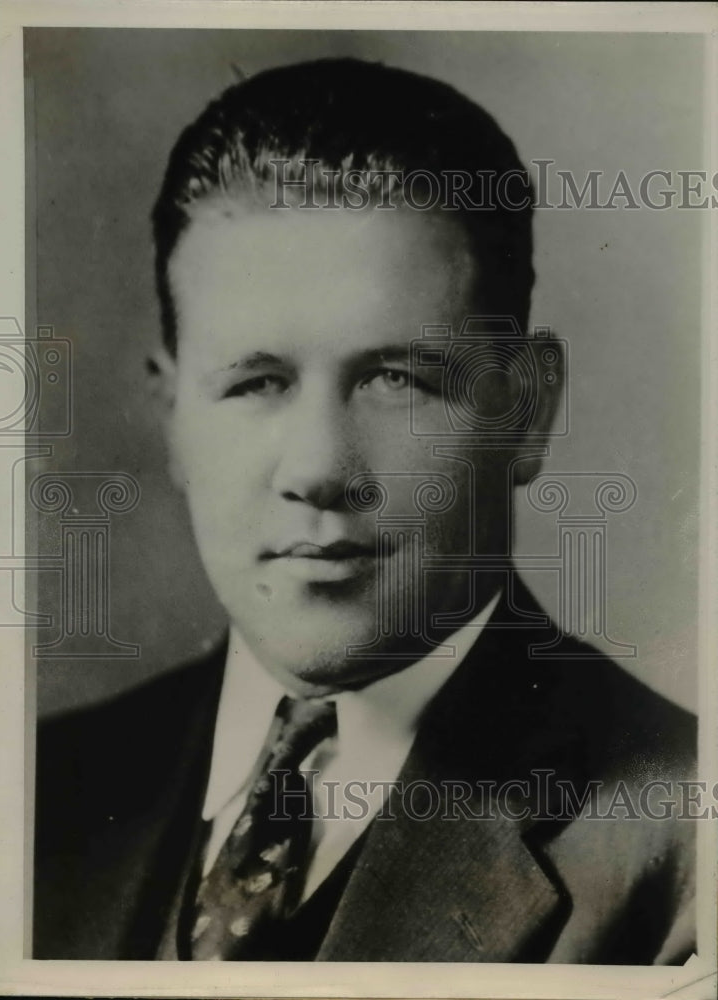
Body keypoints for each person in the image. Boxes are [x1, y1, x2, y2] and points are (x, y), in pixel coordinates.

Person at [34, 58, 696, 963]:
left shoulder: (683, 856)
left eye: (394, 379)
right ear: (172, 418)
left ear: (525, 410)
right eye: (255, 383)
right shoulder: (35, 793)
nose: (317, 470)